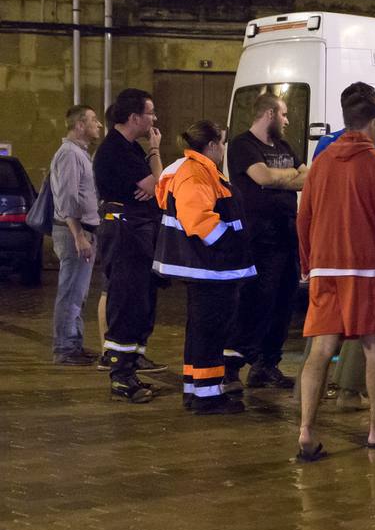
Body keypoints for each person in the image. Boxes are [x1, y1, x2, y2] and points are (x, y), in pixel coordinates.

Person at [295, 89, 375, 460]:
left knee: (321, 349)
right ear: (374, 122)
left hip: (325, 268)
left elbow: (304, 218)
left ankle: (305, 431)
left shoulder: (321, 162)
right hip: (366, 269)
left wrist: (307, 264)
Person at [152, 121, 255, 414]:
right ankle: (208, 397)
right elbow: (197, 218)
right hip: (210, 268)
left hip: (207, 268)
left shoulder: (195, 169)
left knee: (201, 330)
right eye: (222, 142)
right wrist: (229, 243)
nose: (224, 148)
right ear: (211, 146)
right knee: (210, 330)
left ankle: (196, 389)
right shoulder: (195, 173)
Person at [224, 92, 307, 391]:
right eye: (283, 114)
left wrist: (280, 176)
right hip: (259, 238)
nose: (287, 120)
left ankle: (266, 365)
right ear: (270, 114)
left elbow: (307, 176)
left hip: (287, 236)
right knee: (255, 301)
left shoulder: (283, 146)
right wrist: (287, 177)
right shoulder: (242, 145)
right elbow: (262, 177)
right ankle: (231, 367)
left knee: (283, 303)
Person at [94, 88, 168, 402]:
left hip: (137, 232)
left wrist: (153, 187)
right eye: (150, 113)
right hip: (125, 234)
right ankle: (121, 377)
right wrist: (155, 151)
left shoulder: (128, 148)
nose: (154, 119)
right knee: (125, 300)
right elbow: (160, 184)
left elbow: (155, 189)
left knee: (140, 300)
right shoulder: (117, 150)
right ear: (134, 117)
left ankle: (131, 369)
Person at [48, 105, 104, 365]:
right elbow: (67, 198)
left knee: (77, 292)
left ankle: (74, 344)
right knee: (70, 292)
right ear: (80, 125)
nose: (99, 125)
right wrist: (79, 235)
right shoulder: (70, 154)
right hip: (74, 232)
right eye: (93, 120)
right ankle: (65, 348)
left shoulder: (79, 153)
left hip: (80, 230)